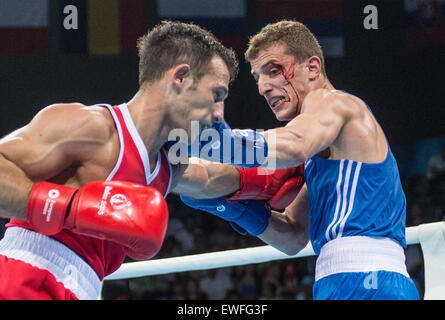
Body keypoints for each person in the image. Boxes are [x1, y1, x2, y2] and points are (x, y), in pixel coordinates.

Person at [181, 20, 420, 300]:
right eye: (258, 78)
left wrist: (219, 142)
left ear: (313, 67)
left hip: (371, 279)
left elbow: (294, 144)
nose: (263, 87)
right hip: (335, 281)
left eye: (273, 71)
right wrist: (234, 208)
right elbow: (293, 236)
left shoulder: (336, 103)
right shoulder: (319, 157)